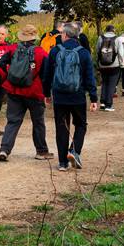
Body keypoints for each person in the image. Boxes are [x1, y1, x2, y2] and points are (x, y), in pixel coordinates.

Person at [42, 22, 97, 168]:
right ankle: (74, 150)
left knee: (61, 128)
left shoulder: (54, 51)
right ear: (77, 35)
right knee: (81, 125)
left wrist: (46, 93)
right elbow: (89, 77)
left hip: (59, 96)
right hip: (77, 96)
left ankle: (62, 163)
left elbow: (47, 75)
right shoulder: (84, 52)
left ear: (64, 35)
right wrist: (93, 97)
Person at [0, 23, 51, 161]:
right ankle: (41, 151)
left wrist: (10, 75)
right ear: (34, 38)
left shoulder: (12, 48)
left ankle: (4, 149)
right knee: (38, 122)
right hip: (34, 92)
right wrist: (46, 91)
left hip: (14, 90)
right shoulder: (41, 52)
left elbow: (1, 62)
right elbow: (46, 74)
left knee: (13, 121)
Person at [95, 25, 124, 111]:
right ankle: (109, 105)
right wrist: (121, 64)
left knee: (104, 83)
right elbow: (121, 53)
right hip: (114, 65)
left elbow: (97, 50)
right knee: (111, 84)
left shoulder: (100, 38)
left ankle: (102, 103)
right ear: (113, 30)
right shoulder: (117, 39)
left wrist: (99, 61)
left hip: (103, 65)